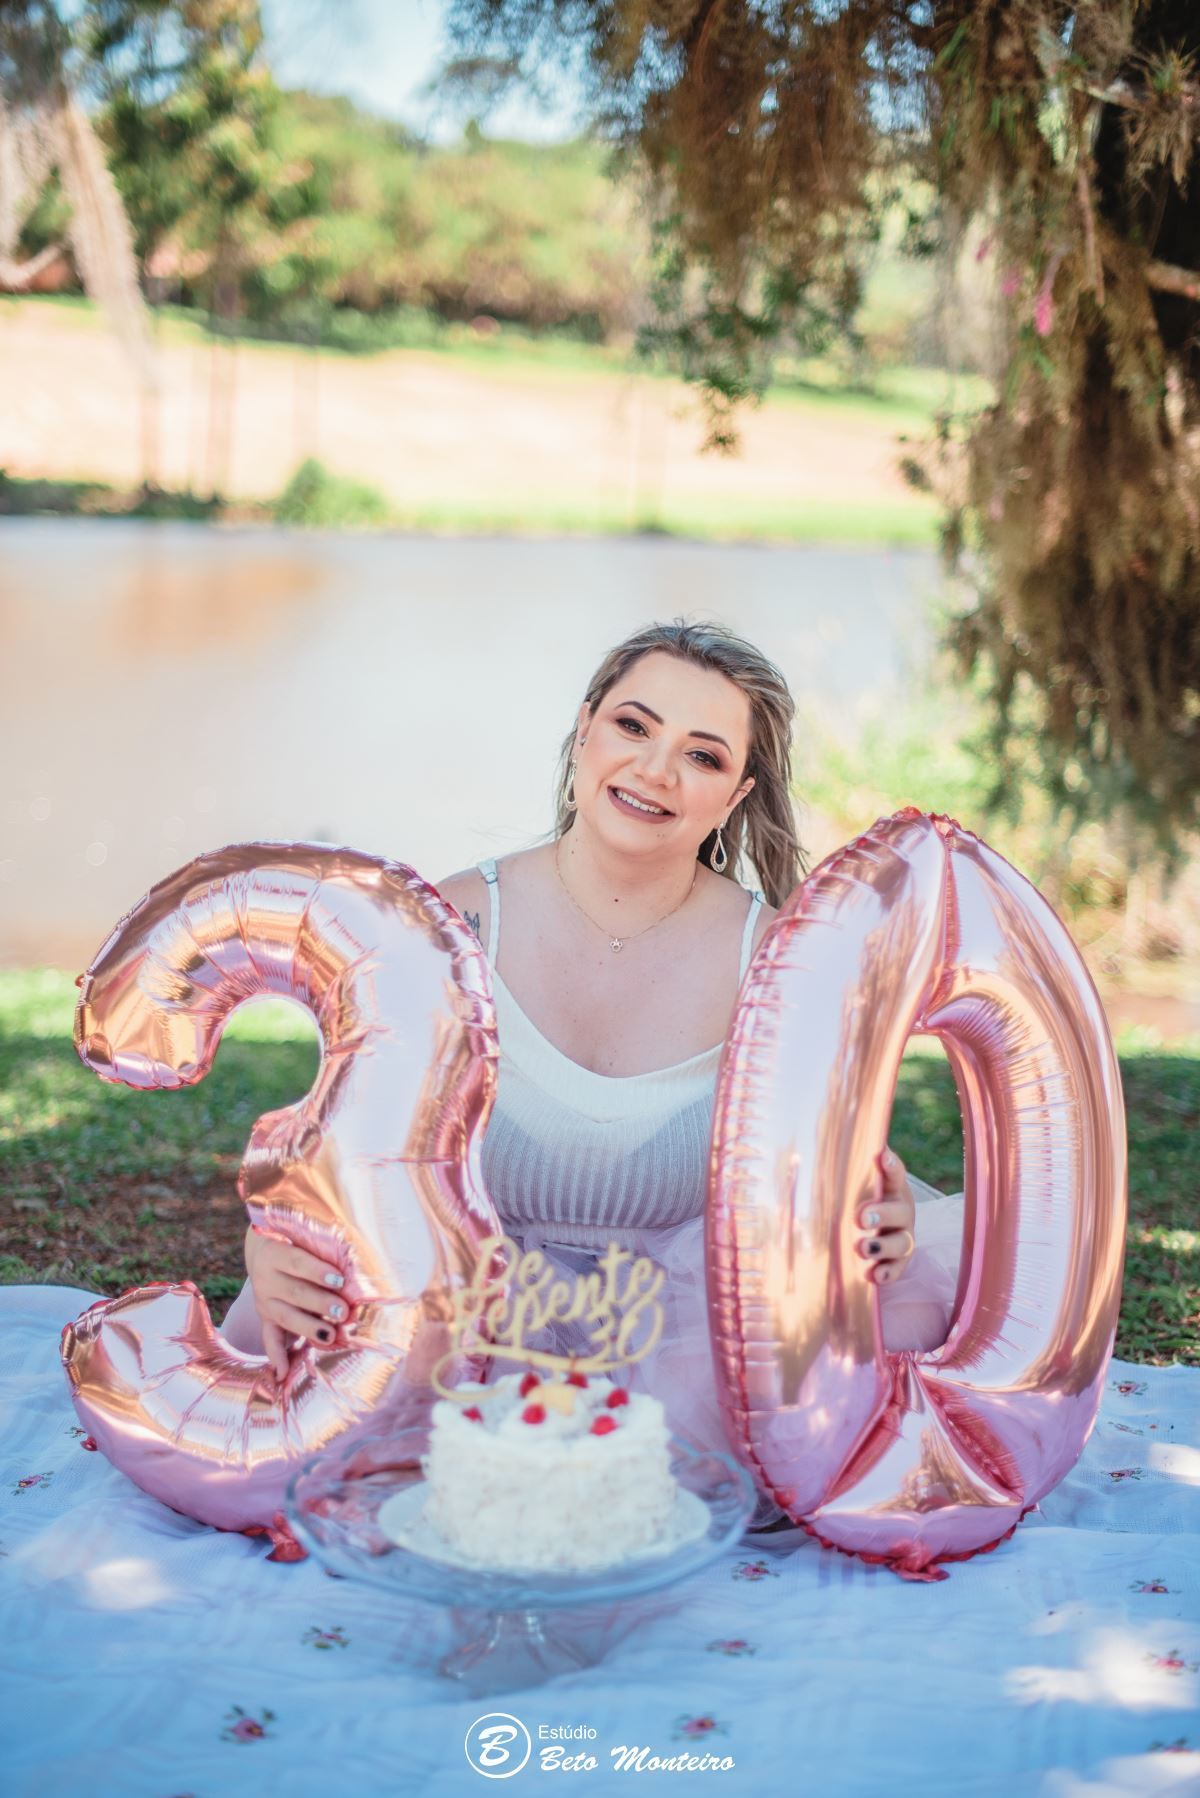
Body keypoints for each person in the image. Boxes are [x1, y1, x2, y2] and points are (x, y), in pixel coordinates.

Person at [222, 620, 960, 1529]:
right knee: (334, 1445)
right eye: (633, 727)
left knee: (786, 1403)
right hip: (457, 1321)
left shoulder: (781, 964)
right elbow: (343, 1157)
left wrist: (873, 1227)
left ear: (736, 796)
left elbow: (835, 1186)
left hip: (683, 1340)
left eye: (702, 755)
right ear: (583, 733)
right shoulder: (441, 927)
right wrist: (277, 1245)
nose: (655, 770)